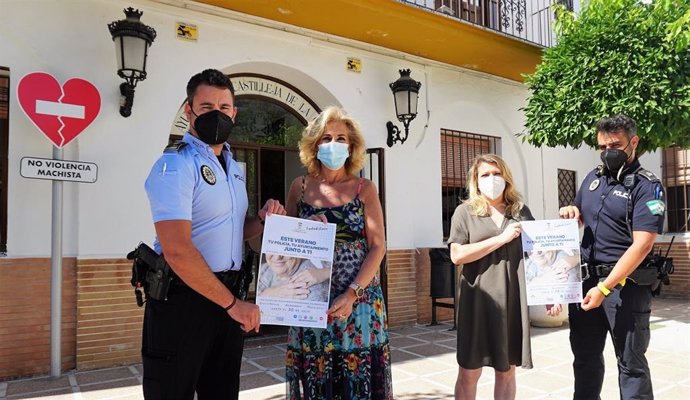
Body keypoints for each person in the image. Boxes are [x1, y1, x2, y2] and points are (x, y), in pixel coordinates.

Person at [142, 68, 286, 400]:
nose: (217, 114)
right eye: (207, 107)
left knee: (221, 393)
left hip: (225, 301)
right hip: (184, 301)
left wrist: (262, 221)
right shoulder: (175, 166)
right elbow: (177, 250)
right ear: (189, 112)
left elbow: (233, 229)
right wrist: (234, 304)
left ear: (234, 113)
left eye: (224, 107)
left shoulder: (234, 168)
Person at [284, 106, 392, 399]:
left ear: (352, 145)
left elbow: (378, 246)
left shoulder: (364, 189)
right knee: (318, 380)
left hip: (358, 299)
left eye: (341, 138)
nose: (334, 144)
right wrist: (302, 226)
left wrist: (353, 293)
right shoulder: (300, 187)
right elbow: (288, 246)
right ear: (314, 144)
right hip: (312, 299)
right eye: (326, 137)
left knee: (357, 381)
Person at [559, 114, 665, 400]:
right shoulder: (593, 178)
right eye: (602, 147)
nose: (608, 152)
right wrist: (571, 213)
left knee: (631, 366)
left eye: (615, 146)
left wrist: (605, 287)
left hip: (624, 289)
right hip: (585, 283)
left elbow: (642, 245)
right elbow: (581, 218)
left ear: (633, 142)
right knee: (585, 361)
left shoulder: (647, 186)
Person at [447, 154, 534, 400]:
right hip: (477, 301)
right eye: (485, 175)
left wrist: (552, 292)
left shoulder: (520, 212)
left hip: (512, 301)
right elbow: (457, 255)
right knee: (468, 372)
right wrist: (501, 239)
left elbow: (537, 254)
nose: (492, 179)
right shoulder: (464, 213)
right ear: (475, 180)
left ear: (506, 177)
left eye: (497, 174)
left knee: (506, 371)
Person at [257, 253, 330, 302]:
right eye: (272, 248)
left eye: (285, 250)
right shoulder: (264, 268)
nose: (277, 257)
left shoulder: (312, 283)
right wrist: (270, 294)